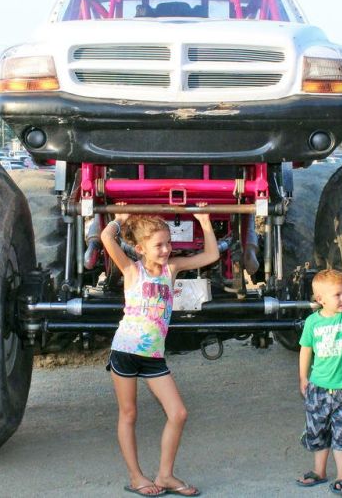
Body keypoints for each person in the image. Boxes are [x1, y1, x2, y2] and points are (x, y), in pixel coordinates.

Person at [100, 207, 219, 497]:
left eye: (168, 243)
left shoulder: (171, 269)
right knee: (128, 414)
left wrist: (204, 223)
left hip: (153, 356)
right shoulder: (131, 269)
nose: (166, 249)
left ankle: (165, 475)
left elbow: (211, 256)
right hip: (125, 351)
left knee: (178, 413)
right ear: (140, 248)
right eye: (159, 245)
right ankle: (136, 476)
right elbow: (106, 236)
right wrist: (120, 219)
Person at [296, 269, 342, 497]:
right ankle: (319, 471)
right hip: (318, 389)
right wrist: (303, 377)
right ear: (320, 299)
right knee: (317, 432)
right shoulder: (312, 323)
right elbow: (305, 350)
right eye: (338, 295)